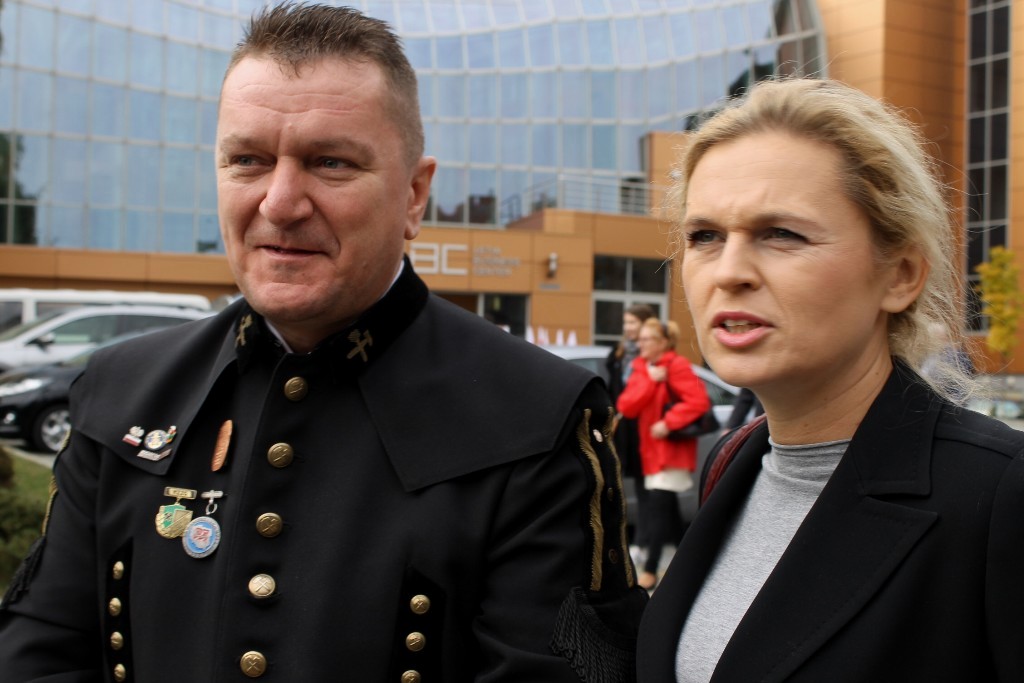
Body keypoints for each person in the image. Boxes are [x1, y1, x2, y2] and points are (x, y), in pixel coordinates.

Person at [0, 5, 647, 681]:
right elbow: (41, 650)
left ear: (415, 196)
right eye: (247, 160)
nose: (280, 202)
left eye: (330, 162)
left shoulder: (537, 417)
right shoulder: (121, 393)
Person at [636, 77, 1024, 682]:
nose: (729, 271)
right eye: (705, 236)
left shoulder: (1001, 493)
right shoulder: (735, 462)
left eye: (781, 234)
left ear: (900, 275)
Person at [616, 319, 711, 592]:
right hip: (650, 452)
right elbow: (627, 406)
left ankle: (650, 570)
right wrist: (650, 379)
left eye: (647, 339)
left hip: (671, 450)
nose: (641, 344)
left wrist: (668, 422)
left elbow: (698, 402)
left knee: (658, 507)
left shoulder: (676, 366)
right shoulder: (641, 368)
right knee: (668, 511)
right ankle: (692, 563)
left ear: (663, 343)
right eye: (641, 339)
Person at [606, 304, 657, 560]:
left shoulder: (653, 356)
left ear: (645, 324)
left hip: (643, 429)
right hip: (621, 430)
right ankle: (618, 541)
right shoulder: (619, 353)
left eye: (632, 323)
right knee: (616, 486)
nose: (628, 328)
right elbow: (613, 391)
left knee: (644, 488)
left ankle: (642, 543)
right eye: (626, 323)